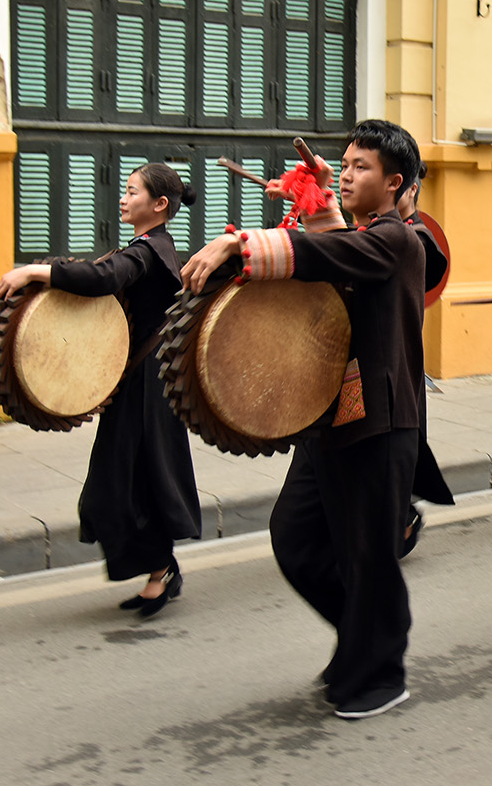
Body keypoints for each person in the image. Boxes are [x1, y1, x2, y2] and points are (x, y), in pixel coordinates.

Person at [182, 119, 425, 721]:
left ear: (394, 183)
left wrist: (240, 244)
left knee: (368, 556)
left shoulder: (400, 239)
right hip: (329, 421)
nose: (345, 173)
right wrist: (315, 196)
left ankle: (381, 672)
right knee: (295, 537)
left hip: (381, 423)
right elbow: (335, 254)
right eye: (342, 164)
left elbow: (334, 253)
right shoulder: (363, 235)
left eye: (360, 167)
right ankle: (363, 642)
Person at [0, 164, 200, 617]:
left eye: (132, 192)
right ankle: (161, 567)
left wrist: (37, 271)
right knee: (129, 479)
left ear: (159, 205)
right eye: (125, 191)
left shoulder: (150, 251)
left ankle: (161, 569)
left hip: (149, 385)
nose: (123, 199)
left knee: (133, 481)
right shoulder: (149, 247)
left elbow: (105, 277)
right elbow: (102, 274)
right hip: (139, 382)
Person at [396, 176, 455, 554]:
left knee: (397, 453)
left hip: (399, 364)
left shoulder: (417, 239)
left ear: (405, 186)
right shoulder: (373, 233)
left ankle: (403, 520)